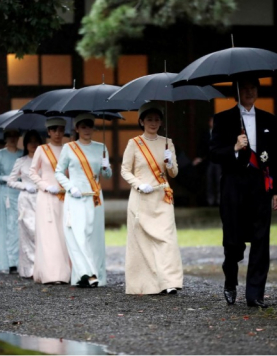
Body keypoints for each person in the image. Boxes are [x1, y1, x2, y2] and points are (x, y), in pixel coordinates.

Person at [209, 78, 277, 308]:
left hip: (260, 186)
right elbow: (213, 154)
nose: (249, 91)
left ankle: (254, 294)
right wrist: (233, 148)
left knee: (261, 240)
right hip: (233, 186)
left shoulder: (269, 119)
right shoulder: (222, 119)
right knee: (233, 242)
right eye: (244, 88)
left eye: (252, 87)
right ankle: (230, 281)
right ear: (236, 92)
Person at [120, 102, 184, 295]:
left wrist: (170, 162)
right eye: (149, 119)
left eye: (157, 119)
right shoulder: (134, 143)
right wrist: (138, 184)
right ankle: (145, 284)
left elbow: (174, 173)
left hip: (162, 197)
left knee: (167, 239)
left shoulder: (167, 142)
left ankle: (169, 281)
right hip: (142, 198)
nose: (153, 123)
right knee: (143, 242)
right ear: (141, 121)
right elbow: (124, 170)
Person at [55, 113, 112, 288]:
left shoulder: (101, 147)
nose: (87, 130)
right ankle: (87, 274)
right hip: (76, 197)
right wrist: (70, 187)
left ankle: (96, 275)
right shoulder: (69, 147)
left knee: (94, 237)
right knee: (77, 236)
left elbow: (107, 176)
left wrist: (106, 166)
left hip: (94, 198)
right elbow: (58, 171)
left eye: (90, 126)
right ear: (77, 128)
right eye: (83, 126)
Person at [29, 117, 72, 284]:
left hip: (64, 195)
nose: (57, 134)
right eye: (54, 130)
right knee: (49, 235)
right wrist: (45, 186)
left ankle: (67, 272)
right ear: (48, 132)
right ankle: (52, 274)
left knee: (63, 234)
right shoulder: (42, 149)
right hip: (46, 196)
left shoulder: (68, 148)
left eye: (61, 130)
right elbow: (33, 172)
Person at [7, 130, 44, 278]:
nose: (33, 145)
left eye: (36, 141)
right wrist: (24, 186)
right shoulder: (21, 161)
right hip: (26, 200)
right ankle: (28, 269)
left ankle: (41, 268)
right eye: (30, 142)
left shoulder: (44, 160)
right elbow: (11, 181)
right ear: (26, 144)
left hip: (41, 198)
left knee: (40, 232)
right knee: (28, 231)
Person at [0, 129, 23, 273]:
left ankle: (17, 261)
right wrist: (6, 178)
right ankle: (4, 261)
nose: (12, 139)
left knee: (17, 226)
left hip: (19, 192)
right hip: (4, 194)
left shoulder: (22, 154)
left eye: (15, 135)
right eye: (9, 136)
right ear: (5, 138)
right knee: (4, 226)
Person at [193, 116, 222, 206]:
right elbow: (201, 147)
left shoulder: (220, 134)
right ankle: (210, 200)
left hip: (218, 160)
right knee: (208, 181)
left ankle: (219, 200)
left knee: (219, 180)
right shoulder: (205, 134)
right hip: (208, 160)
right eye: (211, 121)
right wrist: (199, 157)